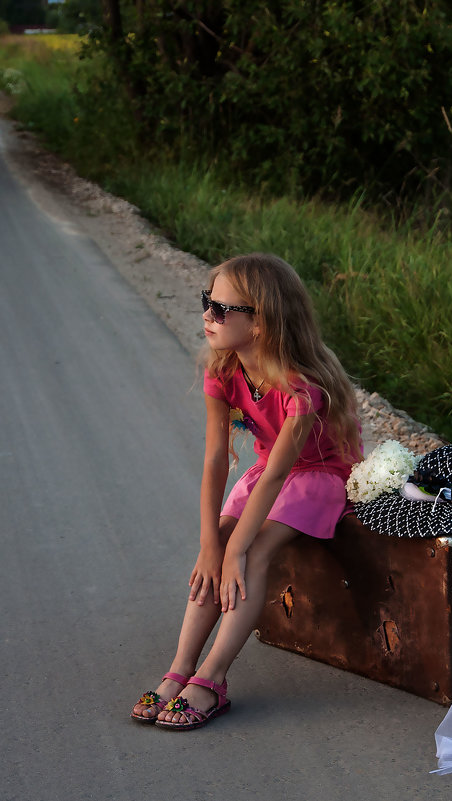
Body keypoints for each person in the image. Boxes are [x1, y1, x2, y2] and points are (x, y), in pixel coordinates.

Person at [130, 253, 363, 731]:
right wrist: (211, 544)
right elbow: (216, 459)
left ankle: (212, 679)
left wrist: (234, 549)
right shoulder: (223, 372)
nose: (207, 317)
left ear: (261, 323)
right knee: (217, 548)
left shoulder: (302, 392)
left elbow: (282, 477)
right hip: (267, 472)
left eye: (221, 309)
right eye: (206, 303)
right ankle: (179, 669)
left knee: (251, 553)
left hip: (318, 476)